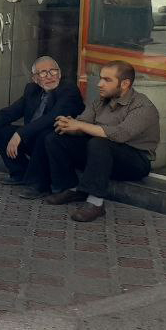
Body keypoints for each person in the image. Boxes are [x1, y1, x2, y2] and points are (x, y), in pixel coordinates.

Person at [44, 61, 160, 222]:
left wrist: (80, 125)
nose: (99, 84)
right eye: (100, 78)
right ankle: (72, 188)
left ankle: (96, 203)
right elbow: (83, 123)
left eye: (107, 80)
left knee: (99, 143)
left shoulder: (143, 106)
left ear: (125, 84)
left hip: (135, 161)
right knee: (55, 138)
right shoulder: (101, 101)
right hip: (101, 155)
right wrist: (69, 126)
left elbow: (120, 134)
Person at [0, 56, 84, 197]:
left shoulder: (69, 90)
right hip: (35, 140)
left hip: (60, 145)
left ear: (60, 73)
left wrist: (20, 133)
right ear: (35, 78)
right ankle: (20, 173)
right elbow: (10, 112)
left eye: (53, 71)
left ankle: (39, 185)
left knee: (45, 133)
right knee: (1, 130)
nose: (49, 76)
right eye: (43, 73)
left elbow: (53, 117)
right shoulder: (32, 90)